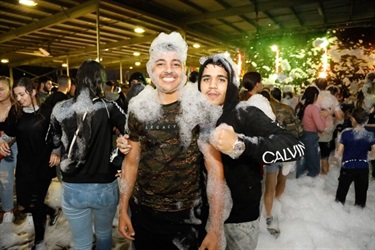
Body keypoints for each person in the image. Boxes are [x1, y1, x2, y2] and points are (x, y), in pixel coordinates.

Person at [117, 32, 229, 250]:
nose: (168, 70)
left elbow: (215, 170)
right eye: (161, 63)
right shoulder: (138, 108)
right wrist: (123, 209)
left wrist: (215, 228)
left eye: (175, 64)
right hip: (143, 214)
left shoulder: (199, 108)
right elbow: (131, 162)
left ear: (184, 71)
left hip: (187, 218)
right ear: (152, 70)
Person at [197, 53, 305, 249]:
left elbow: (295, 146)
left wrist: (241, 144)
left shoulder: (244, 113)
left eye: (221, 79)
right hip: (203, 217)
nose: (212, 85)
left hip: (240, 219)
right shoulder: (195, 116)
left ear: (231, 84)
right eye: (206, 79)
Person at [48, 59, 127, 250]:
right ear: (100, 81)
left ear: (78, 80)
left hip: (73, 185)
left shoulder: (61, 108)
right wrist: (117, 159)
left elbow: (53, 138)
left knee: (81, 243)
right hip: (104, 185)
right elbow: (134, 133)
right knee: (104, 235)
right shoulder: (108, 107)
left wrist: (59, 150)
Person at [0, 77, 60, 250]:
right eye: (16, 95)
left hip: (43, 164)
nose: (18, 99)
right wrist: (2, 141)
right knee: (25, 203)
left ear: (32, 92)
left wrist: (56, 152)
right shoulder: (15, 111)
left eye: (21, 94)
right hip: (25, 165)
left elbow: (58, 135)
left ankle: (39, 241)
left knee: (35, 203)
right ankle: (51, 211)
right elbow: (9, 134)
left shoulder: (48, 111)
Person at [261, 88, 302, 237]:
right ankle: (275, 204)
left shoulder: (261, 111)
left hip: (271, 151)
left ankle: (269, 215)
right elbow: (299, 128)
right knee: (282, 180)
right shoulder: (285, 108)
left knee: (269, 185)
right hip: (288, 149)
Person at [334, 108, 375, 207]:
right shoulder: (370, 135)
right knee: (361, 199)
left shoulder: (346, 134)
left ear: (353, 119)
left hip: (347, 168)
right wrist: (367, 157)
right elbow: (374, 153)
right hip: (363, 168)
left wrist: (336, 159)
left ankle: (337, 216)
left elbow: (339, 152)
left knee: (340, 197)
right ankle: (358, 217)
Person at [296, 86, 329, 178]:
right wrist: (323, 116)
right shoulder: (312, 108)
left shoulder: (299, 106)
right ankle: (312, 188)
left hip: (300, 136)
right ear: (315, 96)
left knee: (302, 163)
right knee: (313, 166)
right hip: (310, 137)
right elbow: (321, 128)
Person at [315, 78, 344, 175]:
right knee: (325, 155)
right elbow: (340, 116)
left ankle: (313, 180)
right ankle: (324, 177)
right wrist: (333, 120)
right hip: (327, 128)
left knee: (313, 154)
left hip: (313, 128)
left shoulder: (314, 97)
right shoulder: (332, 98)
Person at [0, 76, 17, 224]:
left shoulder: (17, 107)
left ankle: (29, 211)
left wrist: (5, 140)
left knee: (25, 179)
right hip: (2, 151)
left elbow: (19, 130)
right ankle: (7, 211)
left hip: (19, 147)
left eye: (1, 89)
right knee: (5, 180)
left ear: (10, 90)